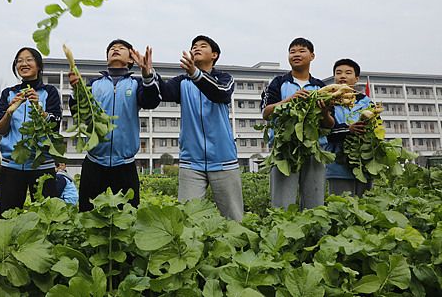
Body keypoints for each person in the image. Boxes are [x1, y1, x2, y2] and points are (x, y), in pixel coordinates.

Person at [158, 35, 244, 221]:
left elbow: (220, 94)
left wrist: (195, 74)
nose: (196, 48)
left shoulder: (224, 78)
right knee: (187, 219)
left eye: (202, 46)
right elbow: (163, 92)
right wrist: (149, 74)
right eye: (193, 46)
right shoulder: (182, 82)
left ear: (214, 55)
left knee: (234, 218)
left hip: (224, 160)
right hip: (191, 162)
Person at [69, 39, 161, 212]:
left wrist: (147, 75)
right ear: (107, 58)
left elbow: (151, 101)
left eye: (121, 48)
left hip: (125, 164)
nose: (115, 49)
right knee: (88, 214)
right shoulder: (94, 84)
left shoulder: (136, 84)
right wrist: (76, 91)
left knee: (128, 215)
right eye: (112, 48)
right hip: (94, 162)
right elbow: (79, 113)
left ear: (131, 59)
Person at [260, 37, 334, 210]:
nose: (296, 55)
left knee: (315, 205)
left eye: (301, 51)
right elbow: (266, 113)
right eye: (292, 52)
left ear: (312, 56)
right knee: (282, 205)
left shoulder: (320, 87)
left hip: (314, 149)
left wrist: (324, 112)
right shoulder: (278, 83)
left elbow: (330, 124)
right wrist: (289, 100)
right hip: (284, 149)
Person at [0, 47, 61, 215]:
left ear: (38, 65)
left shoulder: (49, 92)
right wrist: (10, 111)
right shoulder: (9, 93)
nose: (24, 63)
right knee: (7, 216)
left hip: (42, 164)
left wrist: (38, 107)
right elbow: (1, 129)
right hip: (12, 165)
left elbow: (55, 126)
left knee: (47, 217)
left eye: (29, 59)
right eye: (19, 61)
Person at [325, 59, 373, 196]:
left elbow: (376, 127)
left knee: (366, 205)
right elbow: (326, 131)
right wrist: (348, 130)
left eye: (348, 73)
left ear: (356, 78)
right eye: (338, 73)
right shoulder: (328, 101)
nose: (342, 76)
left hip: (364, 164)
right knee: (341, 205)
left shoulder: (366, 101)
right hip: (338, 166)